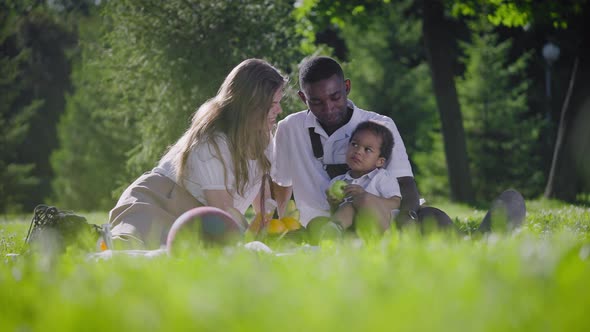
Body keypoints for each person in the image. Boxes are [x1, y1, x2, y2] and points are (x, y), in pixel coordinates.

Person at [271, 56, 526, 235]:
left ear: (347, 87)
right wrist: (280, 224)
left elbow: (405, 183)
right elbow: (281, 185)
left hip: (381, 222)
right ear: (303, 98)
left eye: (335, 97)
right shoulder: (288, 129)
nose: (328, 108)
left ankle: (482, 239)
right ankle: (479, 241)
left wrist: (408, 219)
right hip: (328, 229)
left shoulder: (379, 124)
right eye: (315, 102)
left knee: (431, 217)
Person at [109, 58, 287, 249]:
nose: (280, 110)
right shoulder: (212, 142)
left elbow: (264, 203)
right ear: (251, 104)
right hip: (157, 203)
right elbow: (223, 212)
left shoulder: (264, 137)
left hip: (197, 217)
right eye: (273, 103)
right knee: (131, 255)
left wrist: (272, 231)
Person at [327, 120, 401, 232]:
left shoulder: (382, 177)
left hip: (382, 227)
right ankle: (332, 233)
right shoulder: (337, 181)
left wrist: (365, 196)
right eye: (354, 144)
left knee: (362, 199)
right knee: (347, 207)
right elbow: (335, 213)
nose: (358, 151)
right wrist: (333, 204)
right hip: (354, 230)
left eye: (368, 150)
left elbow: (396, 203)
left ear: (380, 162)